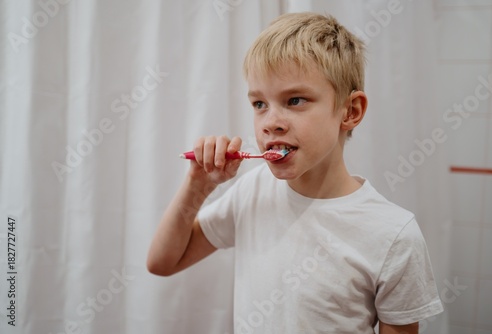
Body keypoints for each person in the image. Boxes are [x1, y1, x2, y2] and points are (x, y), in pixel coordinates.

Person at [147, 12, 443, 334]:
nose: (270, 122)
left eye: (295, 100)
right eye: (259, 103)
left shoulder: (394, 235)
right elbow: (163, 262)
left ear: (350, 111)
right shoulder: (253, 191)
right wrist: (197, 184)